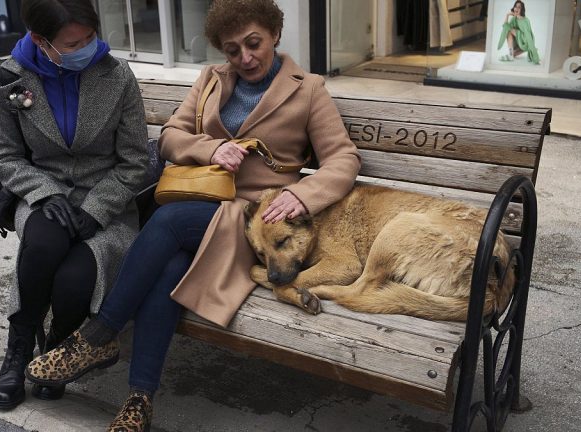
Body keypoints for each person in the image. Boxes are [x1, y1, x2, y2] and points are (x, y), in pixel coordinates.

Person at [25, 0, 361, 430]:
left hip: (256, 222)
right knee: (169, 269)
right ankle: (138, 401)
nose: (245, 58)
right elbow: (170, 138)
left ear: (275, 34)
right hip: (203, 203)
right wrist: (210, 148)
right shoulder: (211, 79)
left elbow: (342, 159)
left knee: (168, 222)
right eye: (233, 50)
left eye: (254, 44)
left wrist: (303, 196)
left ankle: (98, 335)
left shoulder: (308, 88)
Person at [0, 0, 149, 411]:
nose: (87, 48)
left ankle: (57, 351)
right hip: (44, 195)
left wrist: (96, 208)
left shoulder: (117, 75)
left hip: (107, 200)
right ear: (42, 42)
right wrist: (45, 193)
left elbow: (136, 162)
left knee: (75, 281)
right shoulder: (8, 76)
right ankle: (18, 351)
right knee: (42, 243)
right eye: (73, 43)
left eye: (90, 37)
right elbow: (4, 156)